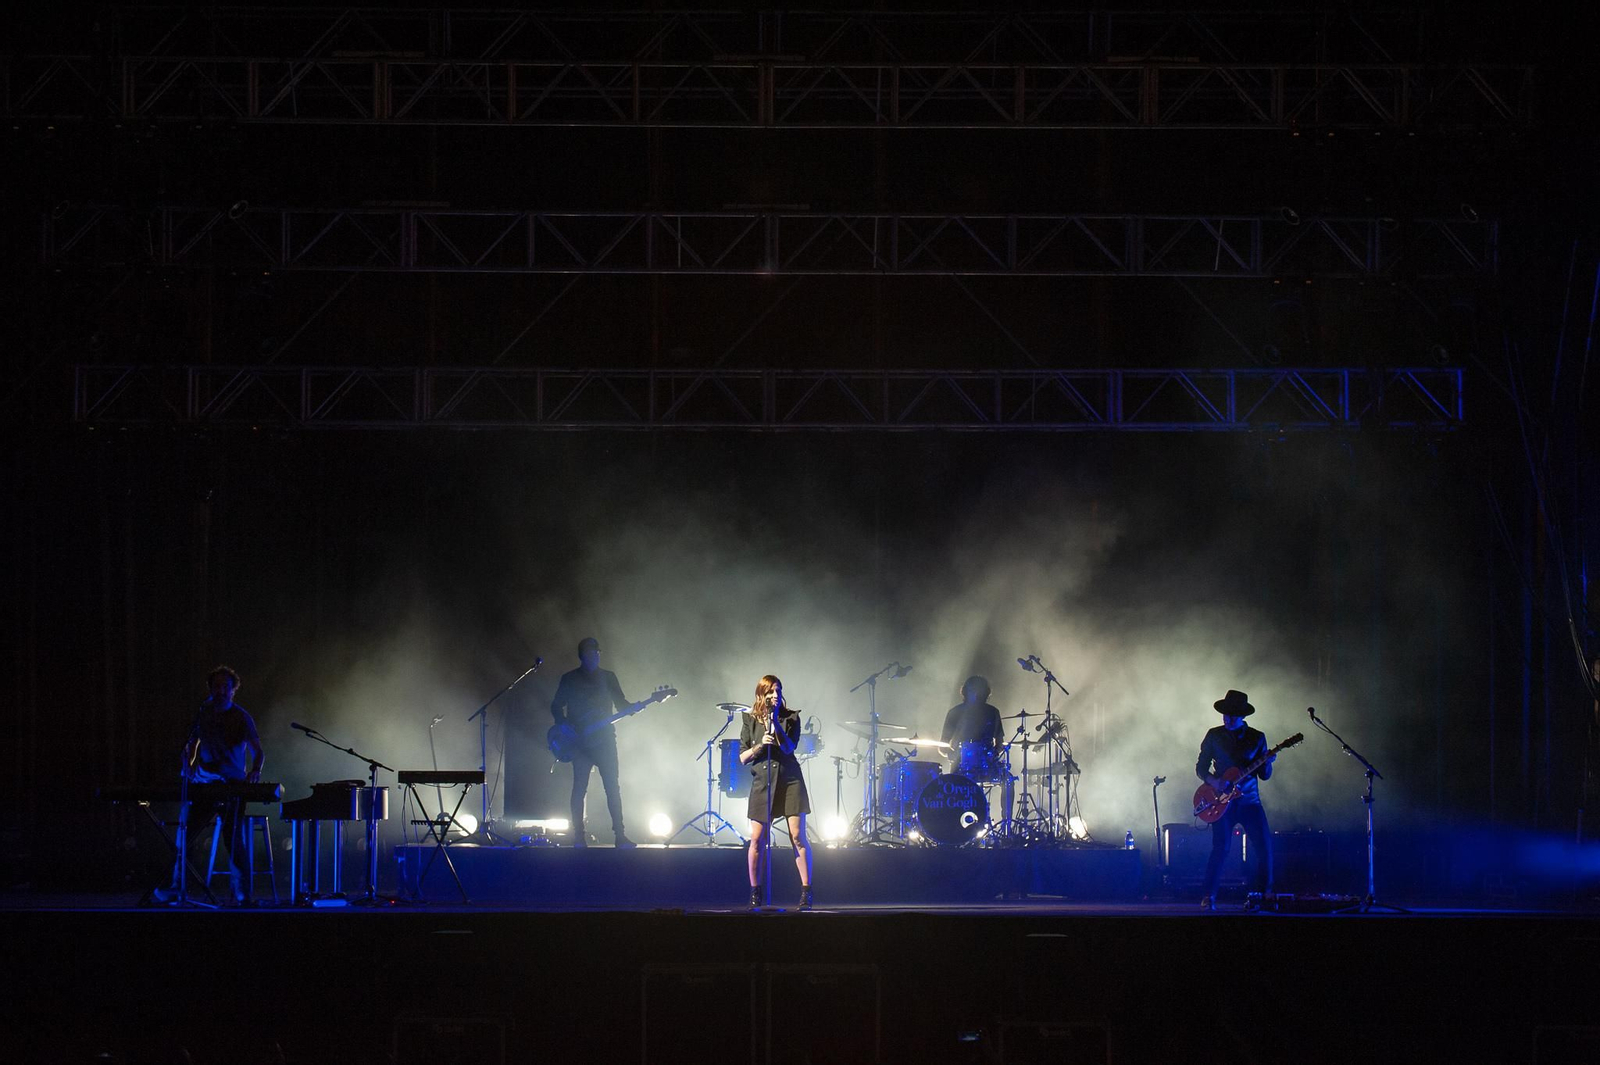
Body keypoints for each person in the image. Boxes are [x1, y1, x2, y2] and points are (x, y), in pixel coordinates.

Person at [153, 665, 264, 905]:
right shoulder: (203, 714)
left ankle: (243, 894)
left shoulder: (241, 717)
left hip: (232, 785)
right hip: (203, 785)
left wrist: (255, 771)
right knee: (186, 835)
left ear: (233, 690)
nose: (221, 690)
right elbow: (191, 743)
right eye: (217, 686)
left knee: (232, 839)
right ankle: (176, 886)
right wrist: (188, 765)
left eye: (226, 686)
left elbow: (258, 751)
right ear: (211, 689)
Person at [549, 637, 636, 848]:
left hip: (605, 740)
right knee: (579, 788)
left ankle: (620, 836)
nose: (594, 656)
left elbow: (621, 703)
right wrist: (563, 724)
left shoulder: (609, 677)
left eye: (597, 653)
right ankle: (578, 836)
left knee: (612, 787)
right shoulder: (569, 679)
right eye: (589, 653)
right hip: (580, 744)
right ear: (582, 656)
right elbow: (556, 706)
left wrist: (632, 708)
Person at [1195, 689, 1276, 911]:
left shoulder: (1257, 737)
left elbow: (1264, 776)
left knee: (1264, 848)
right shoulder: (1214, 735)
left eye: (1232, 715)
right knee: (1220, 848)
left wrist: (1268, 763)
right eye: (1225, 714)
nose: (1227, 719)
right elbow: (1201, 768)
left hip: (1250, 801)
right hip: (1222, 801)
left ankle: (1263, 895)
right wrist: (1215, 782)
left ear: (1242, 716)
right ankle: (1209, 896)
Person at [739, 675, 813, 909]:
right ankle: (755, 893)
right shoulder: (749, 720)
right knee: (757, 839)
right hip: (763, 780)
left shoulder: (791, 717)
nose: (775, 695)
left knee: (798, 837)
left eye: (778, 691)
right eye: (770, 691)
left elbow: (790, 747)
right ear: (761, 694)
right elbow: (742, 757)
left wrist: (776, 725)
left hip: (790, 779)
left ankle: (806, 893)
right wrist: (761, 745)